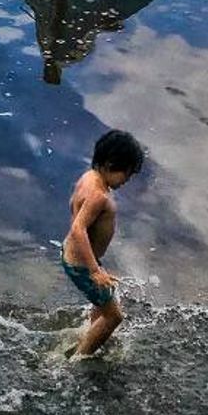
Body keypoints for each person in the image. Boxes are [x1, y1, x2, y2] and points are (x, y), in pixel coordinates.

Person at [61, 129, 145, 357]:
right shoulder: (98, 194)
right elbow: (78, 229)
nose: (125, 182)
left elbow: (75, 210)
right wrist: (94, 270)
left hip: (76, 256)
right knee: (115, 316)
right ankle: (79, 358)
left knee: (105, 300)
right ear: (110, 165)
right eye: (125, 175)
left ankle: (91, 333)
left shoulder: (88, 178)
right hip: (82, 264)